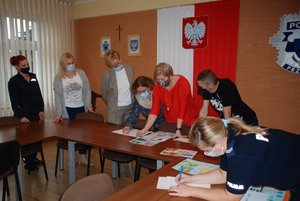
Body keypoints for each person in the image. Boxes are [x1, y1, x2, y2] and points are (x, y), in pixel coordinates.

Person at [169, 117, 300, 201]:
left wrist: (190, 191)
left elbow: (231, 197)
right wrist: (191, 179)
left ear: (217, 143)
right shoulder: (229, 133)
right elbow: (223, 173)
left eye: (207, 150)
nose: (206, 154)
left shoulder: (241, 154)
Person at [137, 62, 198, 137]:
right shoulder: (158, 87)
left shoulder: (183, 83)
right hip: (171, 122)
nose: (160, 82)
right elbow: (154, 110)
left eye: (162, 79)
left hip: (188, 121)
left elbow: (182, 108)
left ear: (170, 76)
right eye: (158, 80)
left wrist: (178, 129)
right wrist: (145, 129)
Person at [53, 52, 93, 165]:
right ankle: (74, 156)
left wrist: (88, 104)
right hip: (67, 109)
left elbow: (87, 89)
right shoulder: (58, 77)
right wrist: (59, 112)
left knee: (84, 134)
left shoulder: (81, 73)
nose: (71, 65)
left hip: (81, 107)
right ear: (63, 65)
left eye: (72, 62)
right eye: (68, 63)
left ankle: (82, 156)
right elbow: (57, 96)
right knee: (71, 135)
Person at [8, 55, 44, 171]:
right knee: (27, 140)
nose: (27, 67)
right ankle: (28, 162)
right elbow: (14, 102)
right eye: (24, 65)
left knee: (37, 138)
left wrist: (41, 109)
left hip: (35, 113)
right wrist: (21, 116)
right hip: (24, 114)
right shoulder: (13, 82)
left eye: (27, 64)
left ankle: (34, 158)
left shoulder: (33, 77)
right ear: (17, 67)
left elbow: (38, 95)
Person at [101, 50, 134, 125]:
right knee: (114, 134)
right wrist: (111, 104)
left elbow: (133, 86)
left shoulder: (129, 69)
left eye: (117, 64)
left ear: (120, 59)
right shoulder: (106, 74)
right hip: (115, 109)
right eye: (113, 66)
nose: (116, 66)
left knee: (128, 132)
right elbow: (104, 93)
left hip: (130, 107)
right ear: (109, 65)